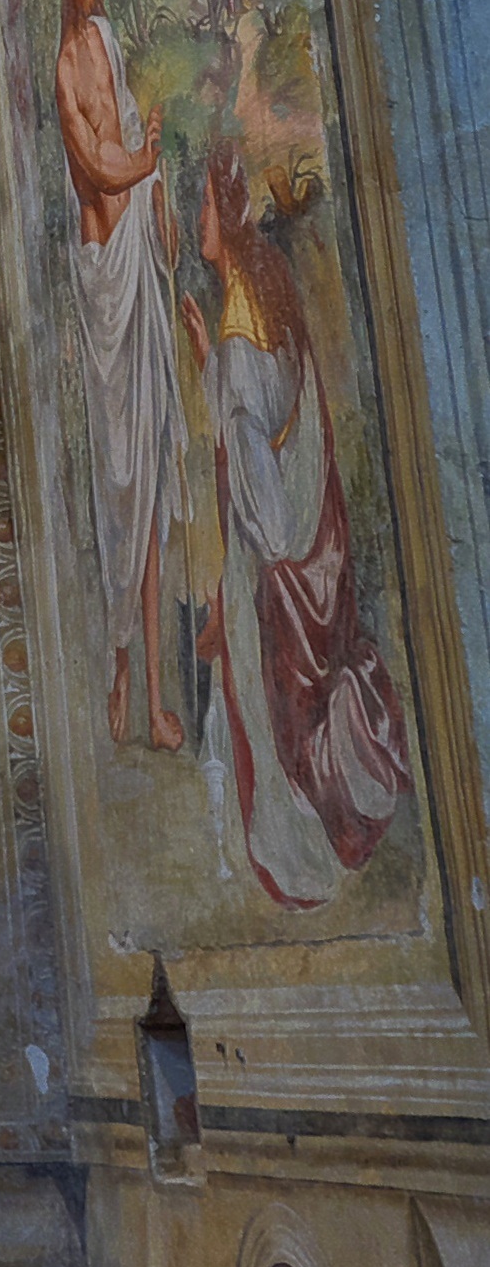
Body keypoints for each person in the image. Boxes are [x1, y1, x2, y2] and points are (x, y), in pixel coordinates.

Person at [180, 143, 412, 904]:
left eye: (204, 206)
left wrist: (211, 362)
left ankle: (297, 850)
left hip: (278, 570)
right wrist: (202, 352)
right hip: (313, 553)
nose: (196, 221)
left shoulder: (241, 331)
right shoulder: (259, 287)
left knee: (276, 727)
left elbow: (262, 501)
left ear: (226, 210)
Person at [52, 0, 188, 753]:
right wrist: (150, 162)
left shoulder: (104, 38)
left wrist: (161, 199)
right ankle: (119, 669)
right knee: (118, 489)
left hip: (141, 263)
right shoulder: (63, 69)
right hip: (104, 284)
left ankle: (154, 700)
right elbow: (103, 163)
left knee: (151, 485)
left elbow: (133, 138)